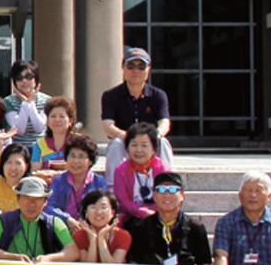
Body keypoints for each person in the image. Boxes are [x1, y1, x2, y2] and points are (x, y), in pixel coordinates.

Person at [101, 48, 174, 186]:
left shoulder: (158, 95)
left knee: (163, 143)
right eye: (131, 66)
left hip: (149, 143)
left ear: (148, 69)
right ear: (123, 68)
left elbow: (164, 122)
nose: (136, 70)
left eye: (141, 66)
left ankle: (168, 184)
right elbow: (107, 125)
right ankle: (113, 186)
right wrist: (128, 137)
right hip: (124, 141)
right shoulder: (110, 95)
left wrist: (154, 136)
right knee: (115, 144)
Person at [0, 176, 79, 264]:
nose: (32, 204)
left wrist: (48, 259)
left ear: (45, 202)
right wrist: (14, 258)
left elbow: (73, 252)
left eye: (37, 199)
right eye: (26, 198)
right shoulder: (2, 220)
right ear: (18, 199)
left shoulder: (54, 222)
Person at [128, 172, 209, 265]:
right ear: (154, 195)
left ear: (182, 195)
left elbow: (205, 264)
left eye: (173, 189)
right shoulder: (141, 227)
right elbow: (133, 262)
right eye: (161, 189)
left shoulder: (195, 227)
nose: (167, 195)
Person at [112, 122, 171, 222]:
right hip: (132, 218)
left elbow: (167, 197)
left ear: (153, 149)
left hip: (160, 216)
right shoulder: (121, 171)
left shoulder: (163, 169)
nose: (139, 150)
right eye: (134, 145)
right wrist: (142, 212)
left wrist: (153, 213)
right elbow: (123, 202)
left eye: (144, 145)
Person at [44, 134, 107, 222]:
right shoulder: (58, 181)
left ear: (90, 161)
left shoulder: (99, 182)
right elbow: (48, 207)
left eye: (81, 156)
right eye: (72, 156)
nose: (76, 161)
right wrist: (67, 219)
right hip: (63, 226)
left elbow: (105, 208)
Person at [73, 189, 132, 263]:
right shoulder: (79, 235)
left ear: (112, 212)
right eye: (93, 207)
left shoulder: (123, 236)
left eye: (103, 207)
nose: (98, 212)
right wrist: (93, 239)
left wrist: (101, 239)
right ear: (86, 212)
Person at [3, 59, 50, 150]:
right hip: (17, 149)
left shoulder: (46, 100)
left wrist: (30, 103)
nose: (24, 81)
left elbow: (39, 128)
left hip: (41, 148)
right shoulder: (8, 102)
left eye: (29, 77)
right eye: (19, 78)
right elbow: (19, 130)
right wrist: (25, 103)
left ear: (36, 79)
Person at [32, 96, 78, 174]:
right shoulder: (39, 144)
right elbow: (35, 171)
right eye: (53, 116)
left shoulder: (78, 143)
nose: (57, 120)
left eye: (62, 116)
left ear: (70, 121)